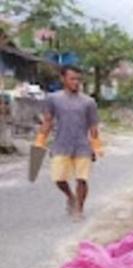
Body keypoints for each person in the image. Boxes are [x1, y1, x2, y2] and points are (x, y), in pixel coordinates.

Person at [34, 65, 102, 220]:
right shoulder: (53, 99)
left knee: (82, 179)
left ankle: (79, 209)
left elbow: (93, 126)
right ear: (63, 79)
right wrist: (40, 140)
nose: (76, 82)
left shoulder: (88, 102)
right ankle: (70, 196)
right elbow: (48, 121)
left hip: (82, 145)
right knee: (58, 179)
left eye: (78, 79)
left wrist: (96, 145)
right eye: (72, 78)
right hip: (61, 144)